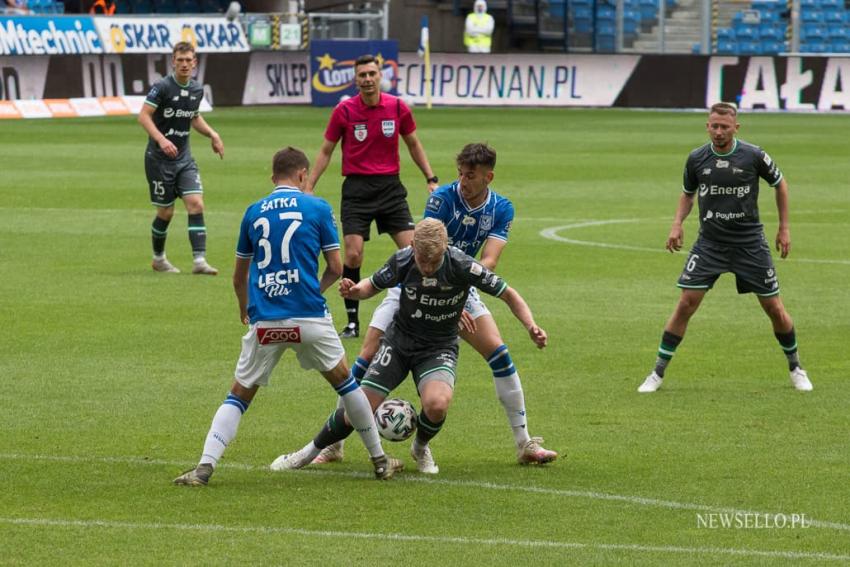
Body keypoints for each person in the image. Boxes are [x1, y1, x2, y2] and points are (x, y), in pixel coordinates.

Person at [313, 143, 557, 466]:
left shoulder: (502, 208)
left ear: (489, 177)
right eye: (460, 173)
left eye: (470, 176)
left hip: (461, 285)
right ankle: (334, 445)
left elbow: (489, 261)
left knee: (498, 352)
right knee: (368, 353)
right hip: (412, 285)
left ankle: (524, 443)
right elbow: (423, 251)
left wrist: (454, 303)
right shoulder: (442, 198)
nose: (462, 180)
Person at [173, 147, 403, 486]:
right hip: (309, 317)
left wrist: (245, 309)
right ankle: (380, 461)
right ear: (303, 175)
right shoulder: (318, 207)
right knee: (346, 384)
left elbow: (239, 277)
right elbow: (338, 268)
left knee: (238, 395)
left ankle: (205, 467)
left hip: (265, 319)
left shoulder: (253, 212)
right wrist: (313, 291)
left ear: (272, 178)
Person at [270, 218, 548, 475]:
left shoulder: (463, 265)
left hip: (438, 347)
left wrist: (530, 325)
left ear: (445, 248)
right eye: (422, 260)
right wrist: (355, 291)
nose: (426, 267)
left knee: (437, 404)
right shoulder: (403, 260)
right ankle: (308, 453)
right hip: (399, 344)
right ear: (412, 246)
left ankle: (420, 447)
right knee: (358, 408)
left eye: (433, 261)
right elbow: (372, 285)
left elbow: (509, 294)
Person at [638, 102, 812, 393]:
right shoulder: (696, 159)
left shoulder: (753, 156)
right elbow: (687, 194)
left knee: (773, 307)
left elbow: (780, 184)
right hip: (710, 244)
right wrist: (677, 224)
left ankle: (796, 367)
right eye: (714, 126)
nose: (718, 132)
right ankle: (656, 373)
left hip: (749, 243)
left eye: (724, 127)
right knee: (685, 305)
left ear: (736, 128)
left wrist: (784, 228)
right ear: (707, 126)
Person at [306, 53, 439, 339]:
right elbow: (326, 150)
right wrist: (309, 186)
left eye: (371, 74)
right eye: (362, 75)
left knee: (416, 251)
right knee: (352, 255)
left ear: (381, 76)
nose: (367, 79)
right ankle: (353, 322)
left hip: (390, 188)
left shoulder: (398, 107)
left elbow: (414, 144)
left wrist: (430, 178)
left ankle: (415, 314)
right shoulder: (344, 111)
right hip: (356, 189)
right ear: (355, 79)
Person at [138, 41, 223, 276]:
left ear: (194, 63)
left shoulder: (196, 90)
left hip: (184, 158)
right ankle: (158, 259)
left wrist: (212, 135)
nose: (184, 64)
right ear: (173, 62)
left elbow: (194, 117)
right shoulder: (162, 87)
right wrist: (161, 140)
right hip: (158, 160)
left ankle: (199, 260)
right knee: (166, 212)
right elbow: (144, 116)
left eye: (189, 60)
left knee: (196, 203)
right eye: (180, 60)